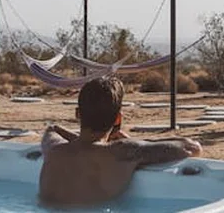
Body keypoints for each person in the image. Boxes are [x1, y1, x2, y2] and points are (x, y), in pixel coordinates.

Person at [38, 76, 203, 208]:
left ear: (77, 114)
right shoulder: (122, 152)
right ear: (118, 118)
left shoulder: (52, 150)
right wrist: (131, 141)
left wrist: (81, 142)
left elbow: (52, 129)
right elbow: (192, 147)